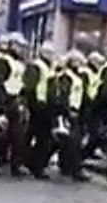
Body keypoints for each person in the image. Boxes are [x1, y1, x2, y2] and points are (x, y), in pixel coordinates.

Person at [0, 32, 30, 177]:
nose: (21, 50)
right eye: (18, 46)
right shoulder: (2, 61)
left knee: (18, 136)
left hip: (16, 102)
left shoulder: (19, 64)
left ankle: (16, 166)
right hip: (3, 102)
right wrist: (1, 101)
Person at [49, 50, 91, 182]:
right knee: (73, 141)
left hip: (76, 110)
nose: (77, 63)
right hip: (68, 111)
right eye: (75, 61)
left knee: (69, 141)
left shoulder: (78, 76)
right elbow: (63, 95)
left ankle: (66, 166)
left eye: (79, 61)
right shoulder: (66, 76)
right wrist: (66, 111)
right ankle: (75, 169)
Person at [24, 45, 59, 180]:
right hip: (39, 106)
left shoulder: (49, 67)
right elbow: (31, 86)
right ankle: (35, 166)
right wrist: (34, 104)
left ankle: (33, 163)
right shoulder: (37, 66)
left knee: (43, 138)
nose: (52, 56)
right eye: (49, 53)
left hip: (47, 107)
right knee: (38, 137)